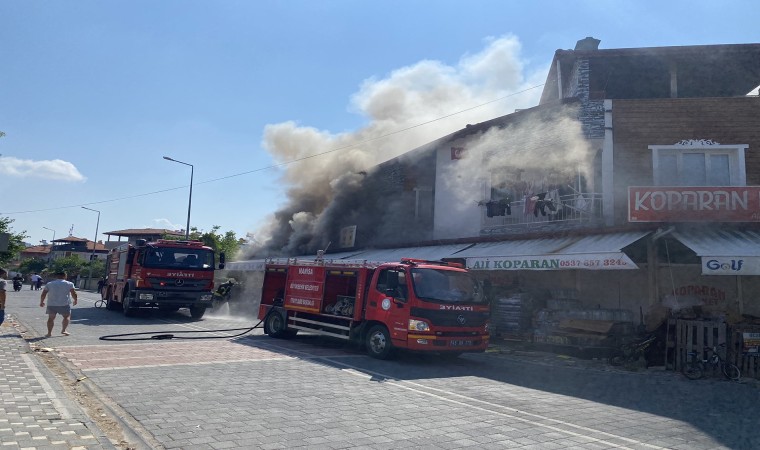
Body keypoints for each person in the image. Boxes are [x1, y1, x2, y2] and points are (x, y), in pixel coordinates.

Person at [39, 271, 78, 337]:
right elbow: (73, 293)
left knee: (51, 318)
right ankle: (64, 330)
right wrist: (75, 300)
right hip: (64, 304)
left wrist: (42, 301)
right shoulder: (69, 284)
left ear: (56, 276)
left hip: (51, 304)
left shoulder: (50, 284)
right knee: (66, 317)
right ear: (65, 276)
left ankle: (49, 333)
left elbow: (44, 293)